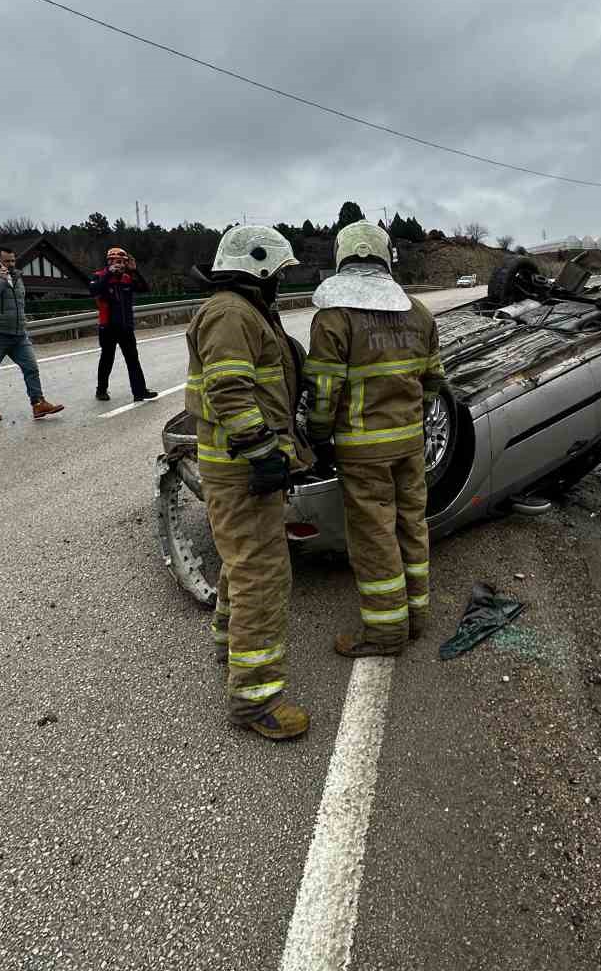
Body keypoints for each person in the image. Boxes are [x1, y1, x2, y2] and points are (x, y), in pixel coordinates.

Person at [186, 224, 312, 741]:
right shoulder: (232, 314)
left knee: (244, 562)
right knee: (263, 574)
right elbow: (229, 389)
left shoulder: (243, 311)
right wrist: (262, 451)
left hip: (238, 464)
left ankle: (228, 643)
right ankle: (255, 697)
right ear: (259, 269)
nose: (281, 282)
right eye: (279, 273)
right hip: (239, 467)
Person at [304, 221, 445, 657]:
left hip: (362, 450)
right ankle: (416, 616)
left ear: (341, 257)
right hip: (410, 444)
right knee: (412, 525)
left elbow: (324, 392)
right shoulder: (419, 313)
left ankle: (385, 632)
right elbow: (435, 382)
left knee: (374, 536)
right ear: (387, 257)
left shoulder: (333, 317)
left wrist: (319, 437)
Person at [0, 246, 65, 422]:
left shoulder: (17, 276)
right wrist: (0, 280)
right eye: (7, 261)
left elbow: (19, 302)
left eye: (13, 260)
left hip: (19, 334)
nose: (12, 264)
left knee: (31, 368)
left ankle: (38, 403)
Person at [89, 246, 157, 402]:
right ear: (110, 261)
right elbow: (94, 290)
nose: (120, 265)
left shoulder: (127, 278)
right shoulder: (99, 276)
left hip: (126, 327)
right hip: (108, 327)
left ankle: (139, 391)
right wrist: (109, 273)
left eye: (122, 262)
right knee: (107, 359)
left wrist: (134, 271)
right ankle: (101, 390)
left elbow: (145, 288)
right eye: (117, 261)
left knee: (133, 359)